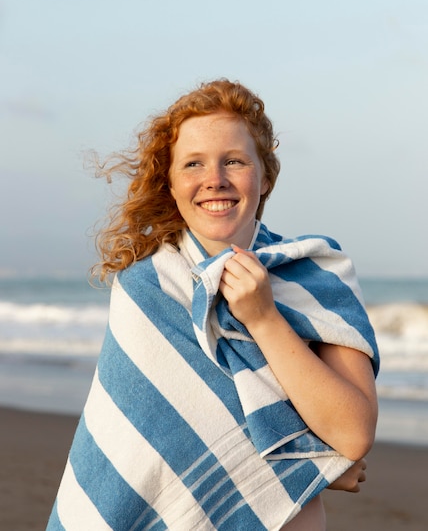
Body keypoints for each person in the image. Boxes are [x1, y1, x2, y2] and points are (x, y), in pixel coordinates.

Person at [47, 79, 379, 530]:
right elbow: (149, 448)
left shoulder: (317, 273)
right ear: (172, 183)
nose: (214, 180)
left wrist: (263, 318)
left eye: (234, 161)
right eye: (193, 164)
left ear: (265, 177)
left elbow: (353, 433)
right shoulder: (146, 288)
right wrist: (314, 462)